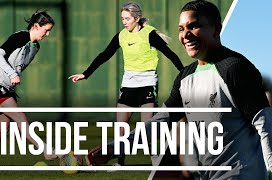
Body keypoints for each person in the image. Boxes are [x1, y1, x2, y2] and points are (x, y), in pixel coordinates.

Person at [85, 0, 272, 179]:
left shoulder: (235, 68)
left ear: (216, 29)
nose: (186, 35)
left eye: (194, 26)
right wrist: (115, 148)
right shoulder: (185, 77)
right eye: (181, 29)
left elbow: (264, 124)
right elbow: (161, 122)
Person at [69, 2, 183, 167]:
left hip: (148, 83)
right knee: (120, 128)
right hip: (128, 85)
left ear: (136, 18)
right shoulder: (121, 36)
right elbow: (104, 55)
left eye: (127, 18)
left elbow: (170, 54)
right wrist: (85, 74)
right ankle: (120, 163)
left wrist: (184, 73)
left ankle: (156, 162)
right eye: (122, 18)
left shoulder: (149, 34)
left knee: (146, 130)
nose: (124, 21)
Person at [0, 10, 61, 171]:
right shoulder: (20, 37)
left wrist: (12, 79)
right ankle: (46, 150)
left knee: (3, 128)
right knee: (21, 119)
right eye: (46, 30)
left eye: (50, 31)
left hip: (5, 88)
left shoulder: (36, 46)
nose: (48, 34)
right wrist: (12, 74)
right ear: (36, 26)